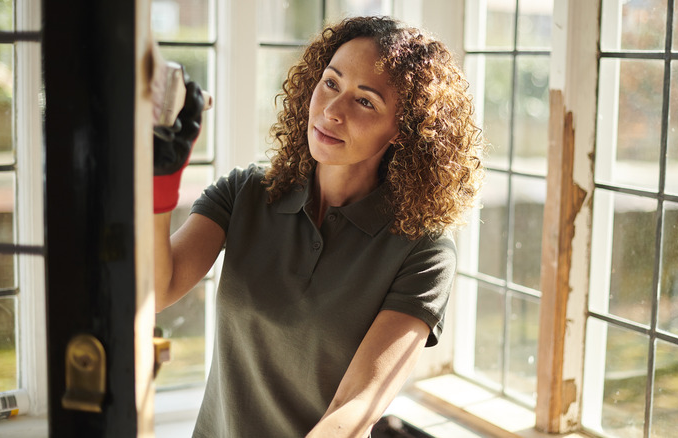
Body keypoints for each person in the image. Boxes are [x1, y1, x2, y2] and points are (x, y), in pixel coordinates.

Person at [152, 16, 484, 438]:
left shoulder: (425, 250)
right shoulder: (247, 192)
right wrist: (160, 180)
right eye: (331, 83)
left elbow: (357, 404)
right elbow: (158, 290)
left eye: (365, 101)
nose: (331, 111)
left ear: (403, 129)